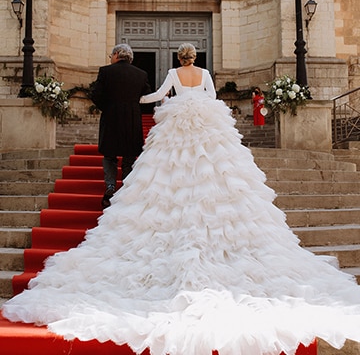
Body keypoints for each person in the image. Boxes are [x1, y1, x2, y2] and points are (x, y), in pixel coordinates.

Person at [2, 43, 360, 355]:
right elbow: (213, 98)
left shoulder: (173, 73)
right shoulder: (204, 73)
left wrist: (134, 99)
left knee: (168, 169)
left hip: (176, 124)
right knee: (213, 170)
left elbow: (158, 97)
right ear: (197, 57)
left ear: (178, 58)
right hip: (205, 124)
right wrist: (195, 103)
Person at [91, 43, 151, 209]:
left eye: (111, 55)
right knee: (129, 155)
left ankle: (110, 186)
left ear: (117, 54)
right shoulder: (141, 74)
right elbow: (146, 98)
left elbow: (96, 95)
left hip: (111, 118)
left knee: (109, 155)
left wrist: (109, 107)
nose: (110, 58)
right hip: (131, 120)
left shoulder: (105, 72)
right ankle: (126, 187)